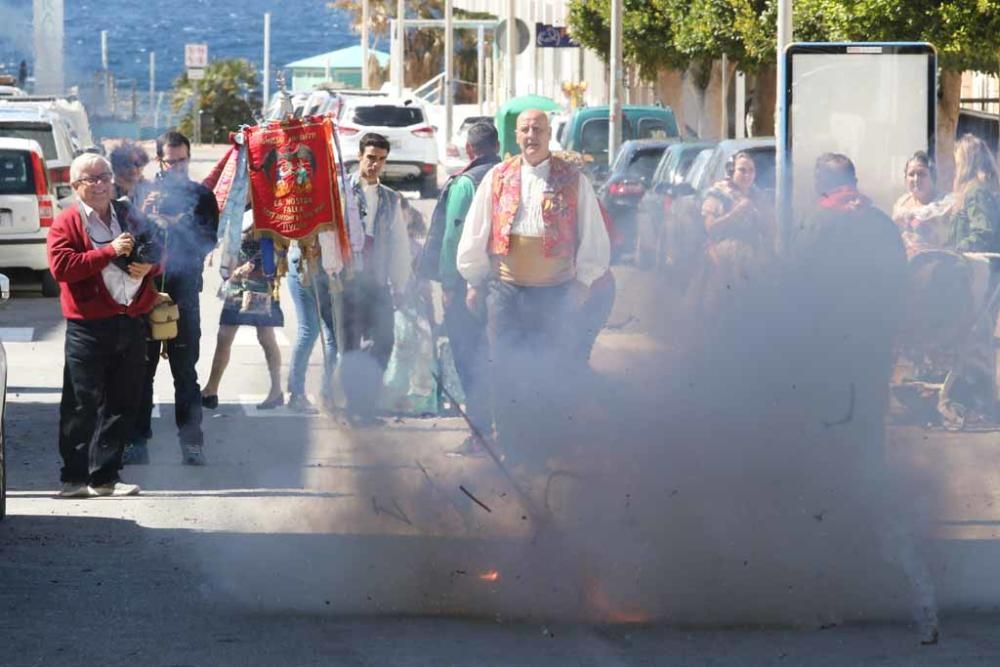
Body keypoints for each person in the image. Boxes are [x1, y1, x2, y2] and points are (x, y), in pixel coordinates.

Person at [456, 109, 611, 457]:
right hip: (505, 289)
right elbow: (476, 230)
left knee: (548, 369)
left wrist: (584, 281)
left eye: (538, 129)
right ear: (516, 135)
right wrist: (474, 280)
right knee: (504, 366)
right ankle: (511, 446)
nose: (531, 135)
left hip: (554, 294)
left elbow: (593, 234)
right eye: (525, 129)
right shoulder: (497, 176)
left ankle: (544, 448)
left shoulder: (573, 179)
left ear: (548, 134)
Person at [47, 153, 161, 497]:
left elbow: (157, 248)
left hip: (130, 318)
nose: (99, 185)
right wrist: (109, 251)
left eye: (104, 177)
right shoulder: (67, 221)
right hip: (89, 325)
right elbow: (62, 267)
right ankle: (74, 479)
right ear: (75, 186)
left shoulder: (127, 213)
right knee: (82, 403)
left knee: (124, 401)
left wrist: (149, 268)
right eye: (90, 179)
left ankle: (105, 477)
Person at [128, 131, 219, 466]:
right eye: (172, 161)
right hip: (146, 293)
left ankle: (191, 441)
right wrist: (145, 216)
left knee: (185, 371)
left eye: (183, 160)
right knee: (142, 369)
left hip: (184, 293)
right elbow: (127, 242)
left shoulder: (202, 196)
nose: (178, 167)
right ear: (160, 161)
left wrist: (180, 225)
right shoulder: (141, 192)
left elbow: (208, 241)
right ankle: (137, 439)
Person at [426, 122, 502, 443]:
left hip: (467, 286)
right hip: (507, 285)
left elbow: (453, 235)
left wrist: (447, 283)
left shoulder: (466, 183)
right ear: (497, 146)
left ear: (470, 150)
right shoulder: (509, 178)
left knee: (469, 356)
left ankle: (480, 432)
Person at [340, 133, 411, 425]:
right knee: (350, 347)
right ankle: (354, 407)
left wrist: (400, 283)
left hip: (378, 281)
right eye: (371, 157)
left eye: (381, 159)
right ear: (360, 156)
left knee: (384, 341)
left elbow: (399, 243)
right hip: (346, 281)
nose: (375, 164)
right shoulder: (341, 190)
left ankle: (365, 402)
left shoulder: (391, 199)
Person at [201, 213, 285, 410]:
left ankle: (276, 390)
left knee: (266, 337)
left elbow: (279, 240)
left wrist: (252, 264)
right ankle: (211, 390)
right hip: (237, 281)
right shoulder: (238, 205)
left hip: (260, 280)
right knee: (224, 335)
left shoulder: (268, 206)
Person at [692, 151, 774, 315]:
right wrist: (735, 213)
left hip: (751, 258)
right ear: (731, 172)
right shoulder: (718, 194)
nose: (747, 175)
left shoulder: (758, 196)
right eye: (742, 170)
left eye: (751, 171)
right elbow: (711, 228)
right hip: (722, 259)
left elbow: (770, 228)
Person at [891, 151, 952, 258]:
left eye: (921, 174)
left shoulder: (946, 204)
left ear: (932, 176)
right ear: (905, 178)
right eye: (911, 174)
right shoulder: (901, 204)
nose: (916, 179)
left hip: (937, 263)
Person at [950, 133, 1000, 253]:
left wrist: (956, 251)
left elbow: (983, 233)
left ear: (966, 163)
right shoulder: (972, 191)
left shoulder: (976, 192)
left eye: (958, 163)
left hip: (978, 268)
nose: (956, 168)